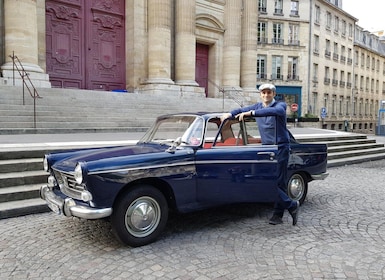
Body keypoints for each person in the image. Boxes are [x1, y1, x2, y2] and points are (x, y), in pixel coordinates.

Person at [220, 83, 299, 226]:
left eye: (269, 93)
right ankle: (288, 208)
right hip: (267, 148)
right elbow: (241, 109)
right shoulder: (257, 106)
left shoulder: (280, 106)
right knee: (269, 181)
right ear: (261, 95)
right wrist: (230, 114)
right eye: (263, 93)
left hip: (280, 147)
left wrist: (251, 114)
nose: (266, 95)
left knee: (278, 182)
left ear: (274, 94)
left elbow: (275, 113)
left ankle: (279, 213)